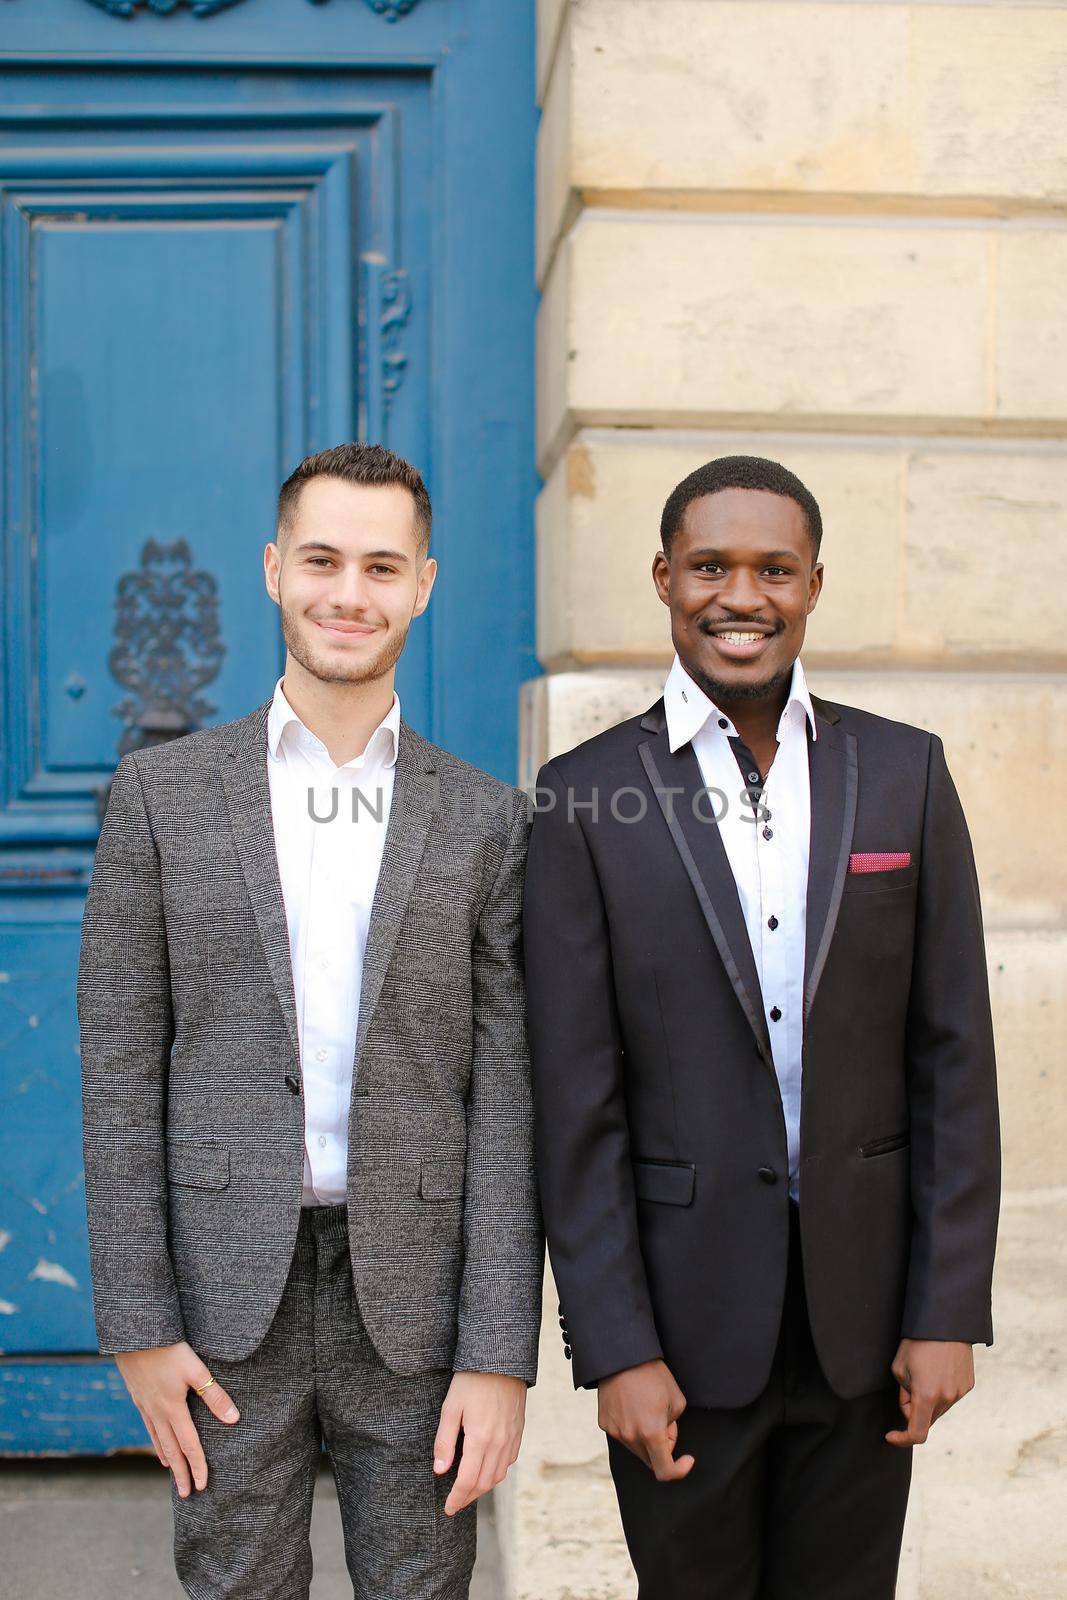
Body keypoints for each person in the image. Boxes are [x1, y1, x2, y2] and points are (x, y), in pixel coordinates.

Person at [522, 454, 1000, 1598]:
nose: (741, 595)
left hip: (864, 1329)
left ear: (813, 584)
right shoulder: (583, 798)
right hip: (679, 1339)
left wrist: (945, 1312)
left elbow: (953, 1058)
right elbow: (573, 1104)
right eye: (709, 566)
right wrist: (615, 1347)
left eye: (772, 568)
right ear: (662, 578)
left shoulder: (903, 773)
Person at [78, 442, 542, 1600]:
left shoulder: (486, 820)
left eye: (381, 567)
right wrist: (137, 1320)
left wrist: (498, 1353)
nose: (350, 593)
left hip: (419, 1303)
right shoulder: (162, 798)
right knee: (234, 1584)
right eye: (324, 560)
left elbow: (507, 1097)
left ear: (423, 584)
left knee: (423, 1585)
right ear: (275, 568)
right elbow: (121, 1064)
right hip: (225, 1292)